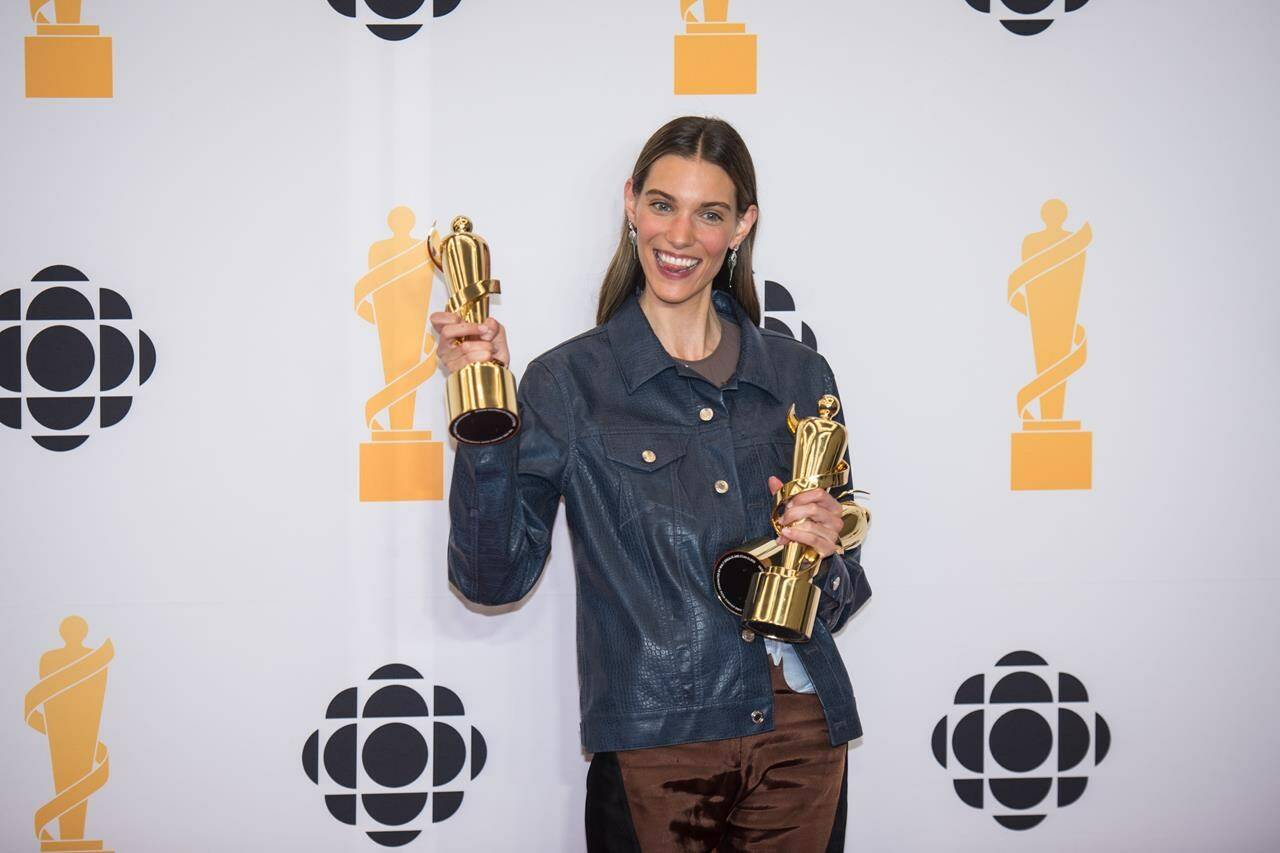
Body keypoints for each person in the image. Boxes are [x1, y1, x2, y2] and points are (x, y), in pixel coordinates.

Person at [433, 116, 870, 852]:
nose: (681, 235)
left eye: (711, 213)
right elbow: (491, 577)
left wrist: (827, 552)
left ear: (742, 226)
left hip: (803, 732)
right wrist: (485, 412)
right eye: (663, 204)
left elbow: (849, 586)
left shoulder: (799, 374)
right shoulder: (569, 381)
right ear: (631, 203)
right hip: (656, 743)